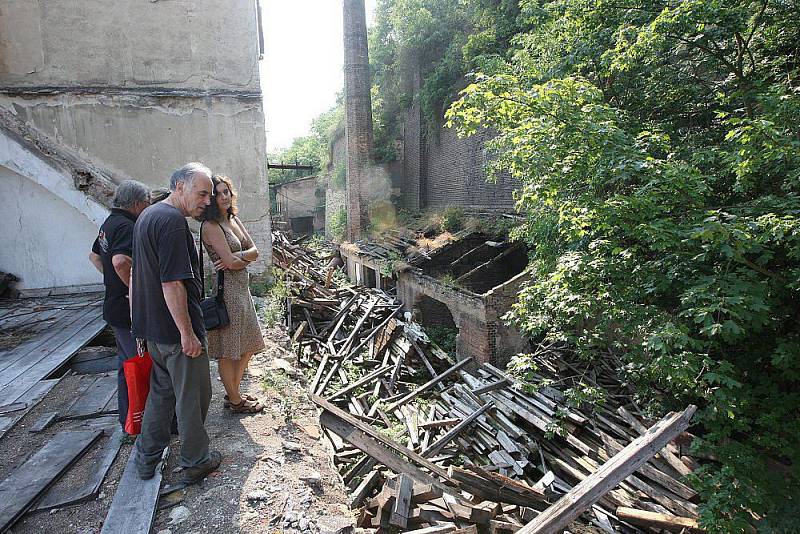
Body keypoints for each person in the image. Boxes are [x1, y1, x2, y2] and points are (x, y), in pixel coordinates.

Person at [130, 162, 221, 483]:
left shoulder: (148, 215)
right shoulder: (171, 223)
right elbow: (171, 283)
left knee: (161, 396)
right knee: (194, 396)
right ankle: (196, 460)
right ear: (179, 187)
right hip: (176, 332)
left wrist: (139, 327)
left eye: (210, 195)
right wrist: (188, 333)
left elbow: (137, 277)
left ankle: (146, 459)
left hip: (155, 331)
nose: (207, 201)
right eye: (202, 193)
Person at [199, 174, 266, 413]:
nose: (224, 196)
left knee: (249, 344)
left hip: (242, 291)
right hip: (227, 292)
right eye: (217, 193)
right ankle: (236, 400)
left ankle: (233, 393)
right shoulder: (211, 226)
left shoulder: (232, 219)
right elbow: (230, 262)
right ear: (210, 199)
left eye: (226, 191)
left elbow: (254, 252)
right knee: (228, 351)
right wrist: (235, 259)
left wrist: (237, 258)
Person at [89, 180, 150, 432]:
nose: (148, 207)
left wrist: (113, 284)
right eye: (147, 203)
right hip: (127, 310)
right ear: (136, 204)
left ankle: (128, 419)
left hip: (113, 305)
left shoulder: (109, 223)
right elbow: (120, 261)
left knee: (126, 364)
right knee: (137, 363)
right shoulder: (127, 225)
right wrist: (133, 290)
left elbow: (94, 256)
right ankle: (138, 421)